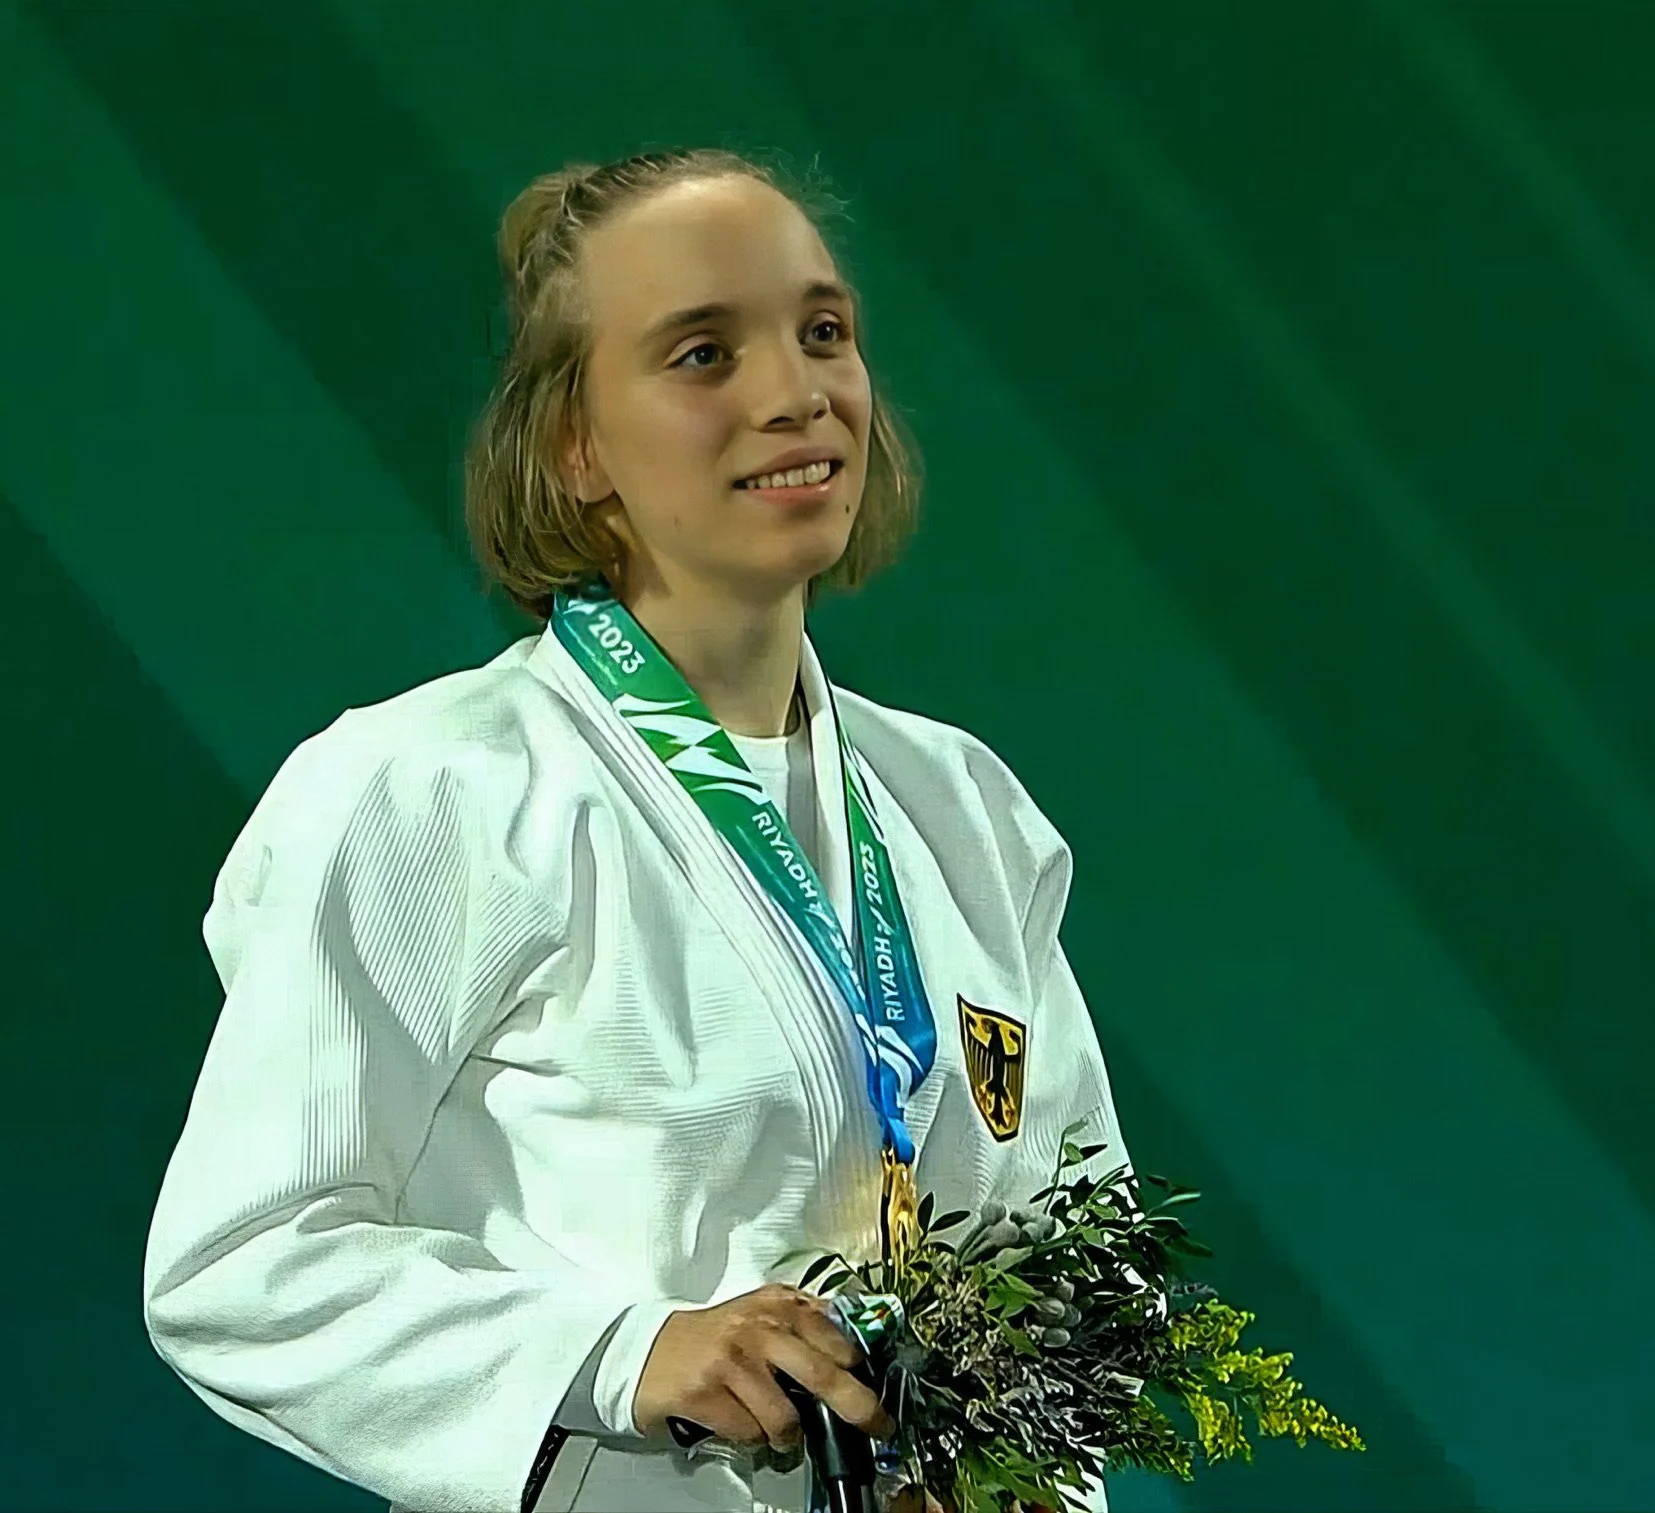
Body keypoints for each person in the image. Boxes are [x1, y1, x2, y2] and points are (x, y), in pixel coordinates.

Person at [140, 148, 1131, 1513]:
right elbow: (243, 1265)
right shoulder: (434, 789)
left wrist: (1003, 1467)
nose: (796, 395)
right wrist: (625, 1352)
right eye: (703, 354)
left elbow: (1080, 1267)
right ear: (574, 447)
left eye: (822, 334)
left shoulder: (957, 809)